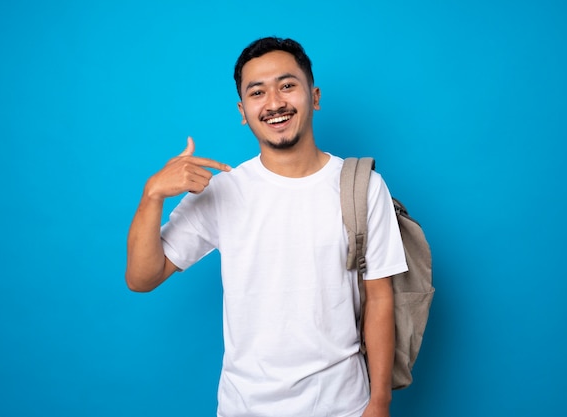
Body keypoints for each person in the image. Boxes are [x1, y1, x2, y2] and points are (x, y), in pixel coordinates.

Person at [126, 37, 408, 417]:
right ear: (243, 111)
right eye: (257, 92)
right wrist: (152, 195)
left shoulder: (362, 186)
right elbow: (142, 278)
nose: (274, 103)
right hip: (246, 407)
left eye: (287, 85)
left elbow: (380, 298)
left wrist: (379, 402)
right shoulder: (224, 191)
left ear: (315, 96)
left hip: (345, 406)